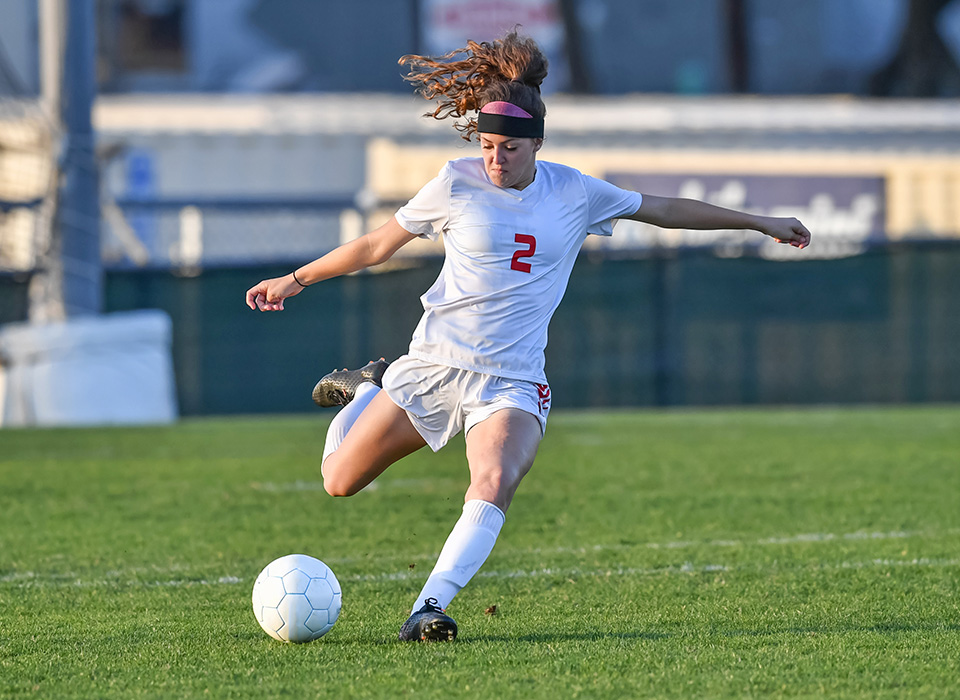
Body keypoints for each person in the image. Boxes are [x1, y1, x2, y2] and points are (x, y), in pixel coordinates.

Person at [245, 30, 811, 643]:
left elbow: (666, 209)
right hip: (434, 366)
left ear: (536, 143)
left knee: (492, 482)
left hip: (512, 380)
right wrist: (296, 278)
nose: (495, 159)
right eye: (487, 145)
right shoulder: (456, 182)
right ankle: (365, 390)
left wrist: (760, 220)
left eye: (509, 148)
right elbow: (377, 245)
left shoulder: (574, 191)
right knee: (338, 480)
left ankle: (428, 608)